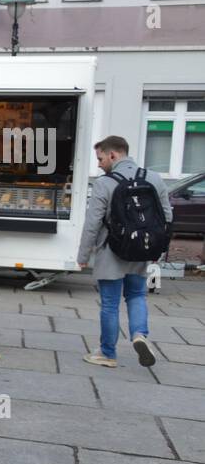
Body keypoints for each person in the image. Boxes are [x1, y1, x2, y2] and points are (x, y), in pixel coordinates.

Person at [78, 135, 173, 368]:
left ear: (113, 155)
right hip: (142, 250)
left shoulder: (104, 183)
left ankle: (107, 353)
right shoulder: (153, 178)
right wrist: (156, 248)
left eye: (100, 158)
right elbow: (167, 217)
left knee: (110, 304)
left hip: (112, 251)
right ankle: (140, 334)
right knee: (137, 295)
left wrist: (82, 257)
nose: (99, 164)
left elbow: (92, 223)